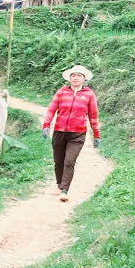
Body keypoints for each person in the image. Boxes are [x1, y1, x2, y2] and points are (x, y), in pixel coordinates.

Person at [42, 64, 100, 202]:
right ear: (69, 78)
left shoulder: (89, 94)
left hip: (77, 135)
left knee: (69, 161)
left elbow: (93, 115)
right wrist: (46, 125)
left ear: (84, 79)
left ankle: (64, 190)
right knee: (58, 161)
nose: (75, 78)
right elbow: (51, 109)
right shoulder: (61, 92)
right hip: (59, 131)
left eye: (79, 76)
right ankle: (59, 185)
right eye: (73, 75)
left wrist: (96, 134)